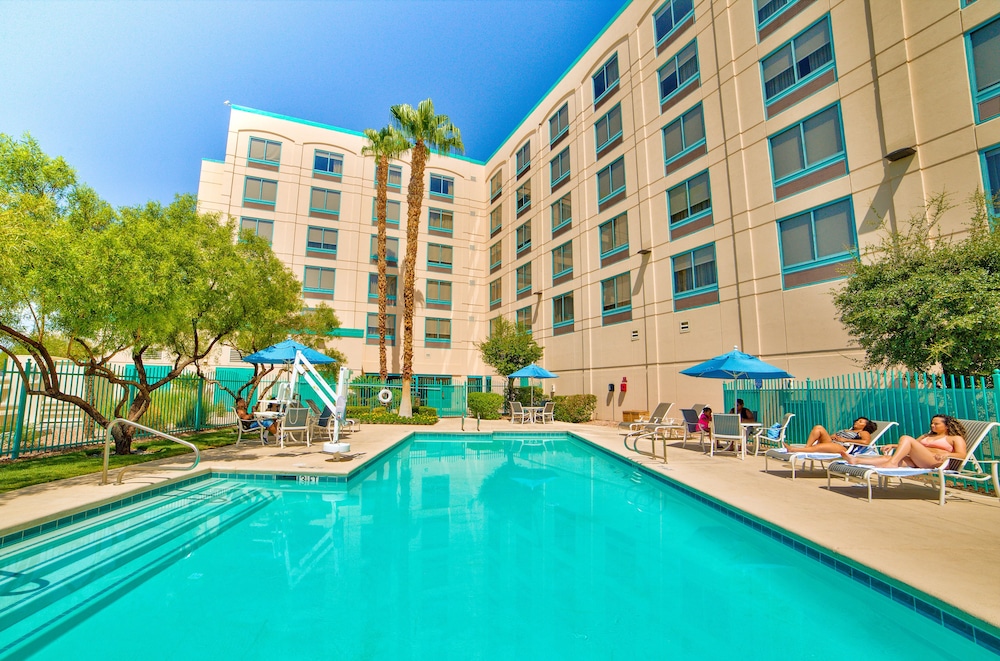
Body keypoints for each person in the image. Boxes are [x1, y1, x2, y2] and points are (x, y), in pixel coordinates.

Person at [844, 414, 967, 468]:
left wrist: (947, 454)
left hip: (935, 461)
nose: (932, 426)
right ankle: (856, 460)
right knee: (889, 458)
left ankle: (892, 463)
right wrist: (893, 445)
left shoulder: (955, 438)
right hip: (918, 460)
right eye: (932, 423)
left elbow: (962, 455)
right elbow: (910, 446)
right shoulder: (926, 435)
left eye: (936, 424)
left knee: (906, 438)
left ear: (947, 426)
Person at [783, 417, 877, 454]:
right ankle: (807, 448)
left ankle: (794, 449)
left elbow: (866, 442)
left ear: (865, 426)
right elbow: (834, 435)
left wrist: (845, 440)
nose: (857, 422)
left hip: (842, 447)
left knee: (819, 447)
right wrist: (832, 436)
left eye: (860, 422)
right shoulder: (850, 429)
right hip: (833, 442)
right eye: (857, 420)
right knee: (818, 427)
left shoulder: (864, 432)